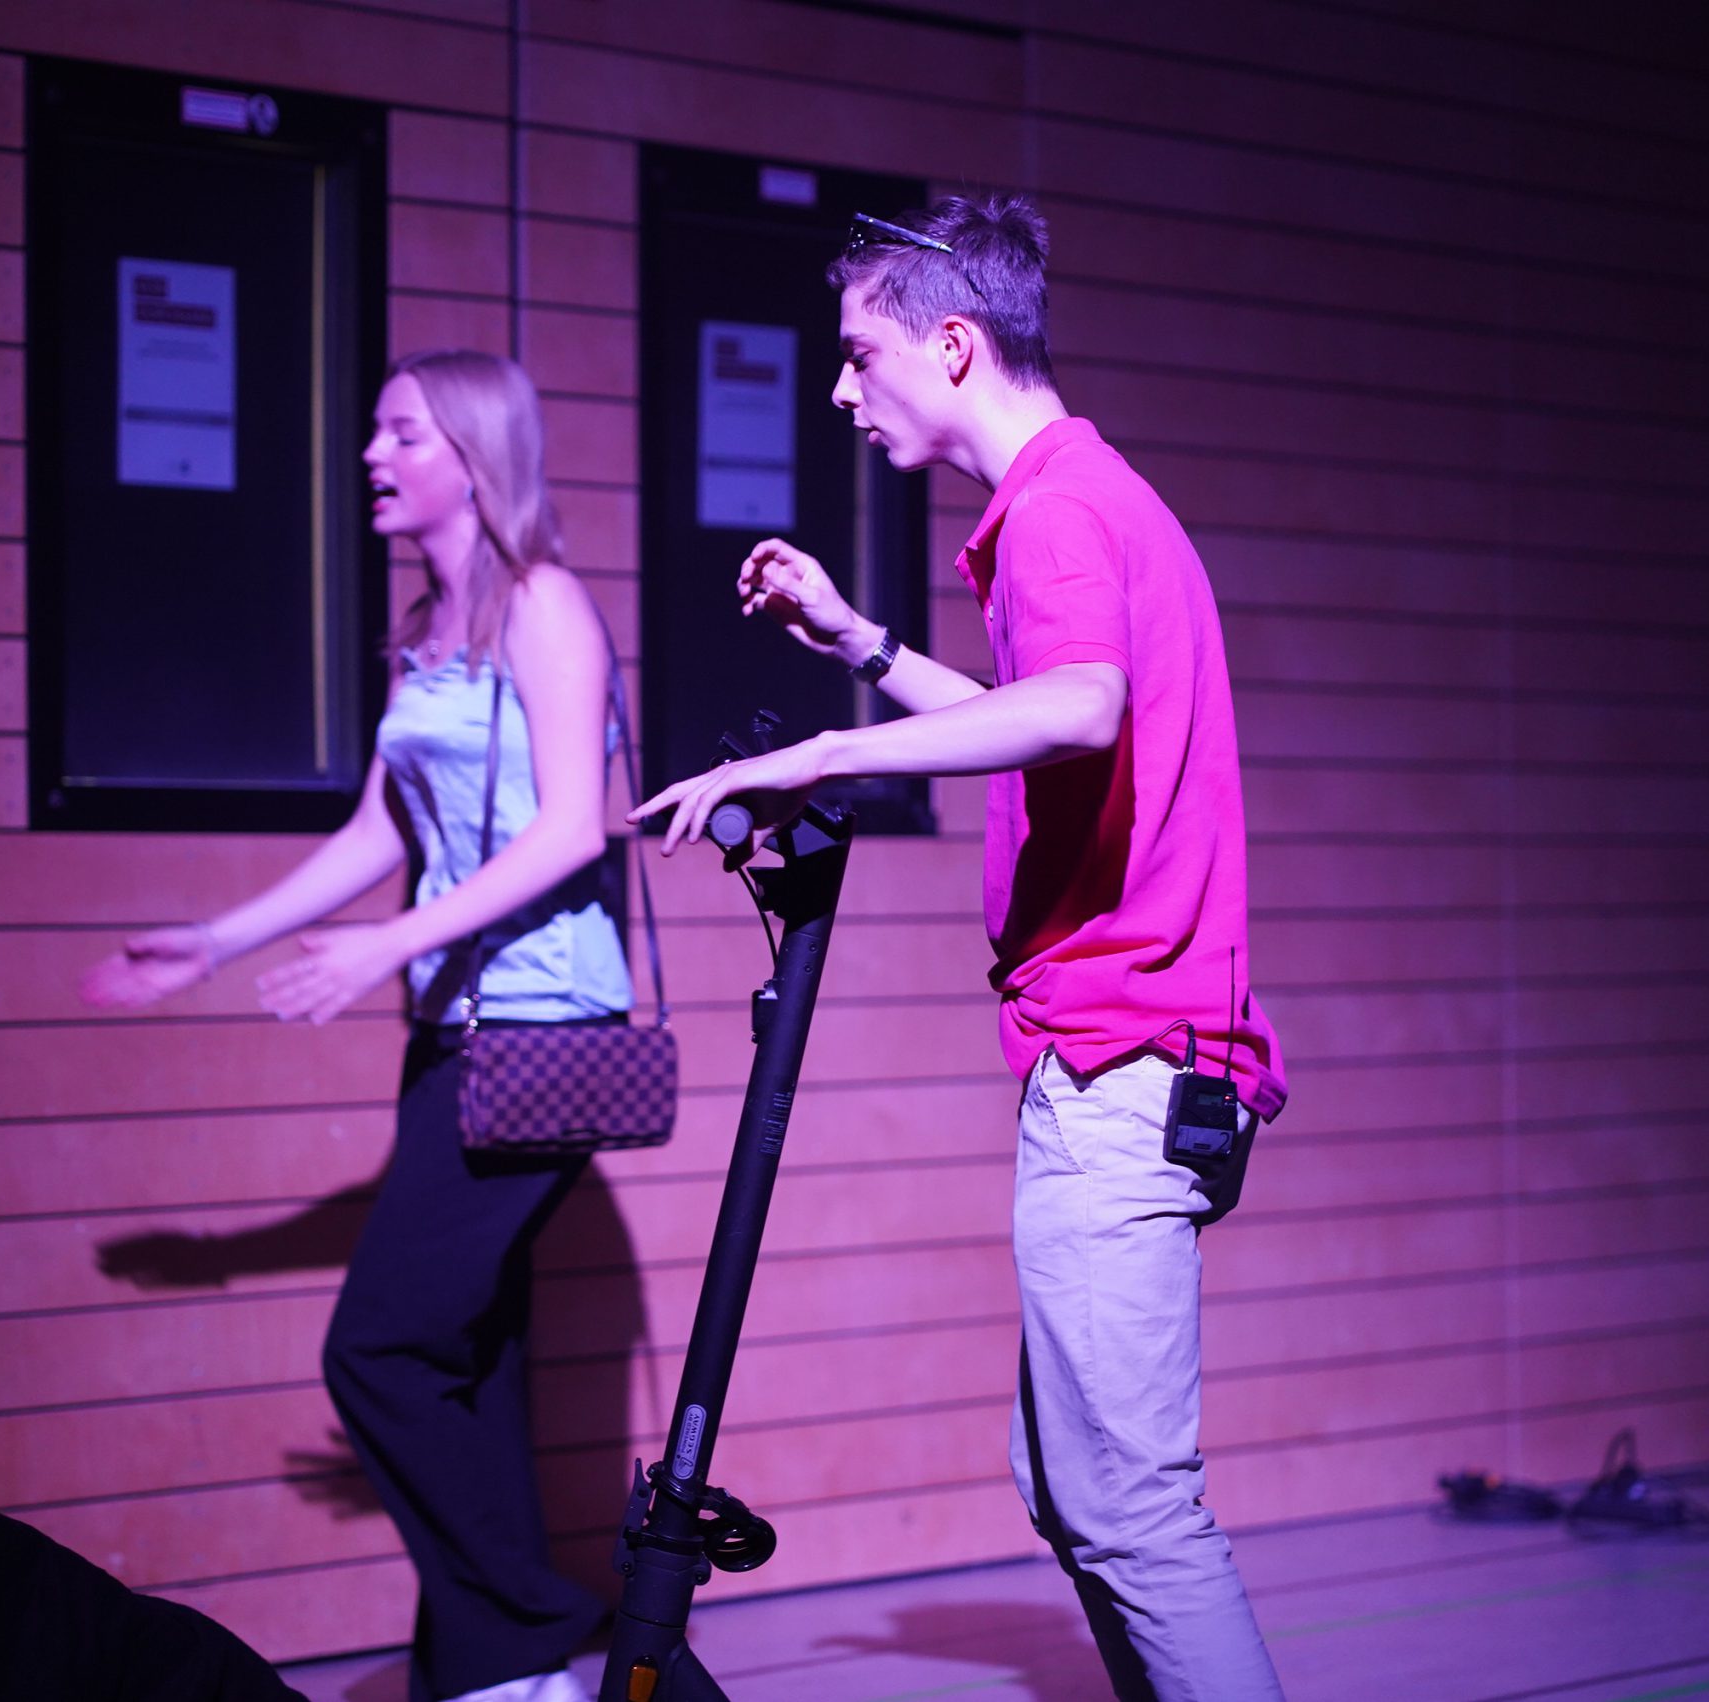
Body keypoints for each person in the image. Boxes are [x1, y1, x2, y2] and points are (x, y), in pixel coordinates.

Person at [633, 196, 1293, 1700]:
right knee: (1073, 1486)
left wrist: (817, 753)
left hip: (1123, 1061)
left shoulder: (1058, 507)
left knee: (1129, 1510)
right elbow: (1052, 711)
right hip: (1133, 1060)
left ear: (950, 345)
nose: (838, 391)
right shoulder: (1088, 495)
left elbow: (1078, 708)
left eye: (858, 358)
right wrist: (861, 645)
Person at [83, 350, 623, 1702]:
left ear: (474, 458)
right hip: (454, 1023)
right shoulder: (432, 622)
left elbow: (575, 826)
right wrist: (217, 942)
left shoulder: (545, 604)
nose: (373, 456)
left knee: (376, 1349)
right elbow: (379, 828)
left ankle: (532, 1637)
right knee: (469, 1356)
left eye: (401, 434)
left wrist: (391, 940)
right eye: (376, 433)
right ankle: (499, 1676)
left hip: (546, 1025)